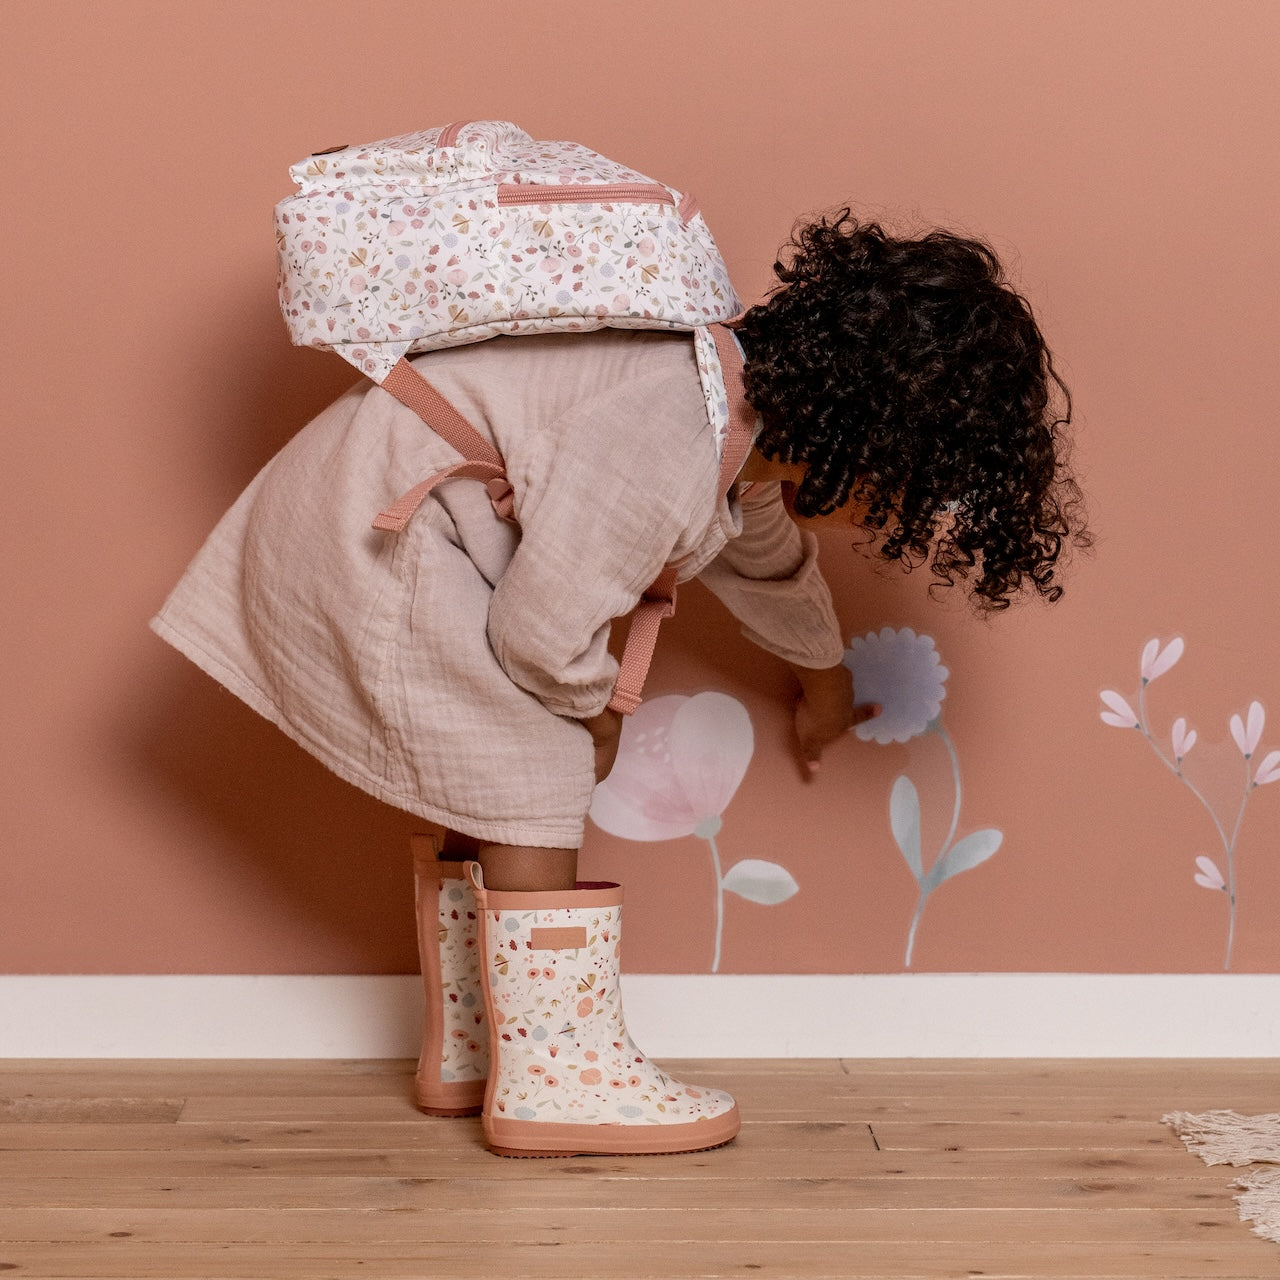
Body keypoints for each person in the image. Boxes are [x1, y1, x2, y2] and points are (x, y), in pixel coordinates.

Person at [152, 212, 1087, 1157]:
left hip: (373, 515)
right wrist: (595, 714)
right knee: (536, 755)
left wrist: (825, 680)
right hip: (370, 538)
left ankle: (479, 1053)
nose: (885, 518)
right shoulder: (669, 436)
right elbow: (540, 630)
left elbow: (765, 561)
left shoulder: (728, 415)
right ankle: (557, 1076)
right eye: (903, 491)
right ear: (865, 444)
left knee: (494, 766)